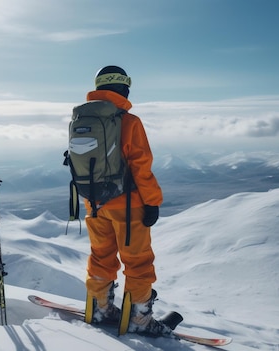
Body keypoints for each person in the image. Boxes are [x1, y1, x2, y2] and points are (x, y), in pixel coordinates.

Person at [84, 65, 171, 336]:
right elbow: (140, 166)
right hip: (127, 206)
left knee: (101, 257)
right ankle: (140, 320)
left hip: (94, 204)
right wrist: (153, 201)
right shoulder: (129, 121)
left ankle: (100, 308)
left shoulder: (81, 120)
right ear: (124, 88)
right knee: (138, 262)